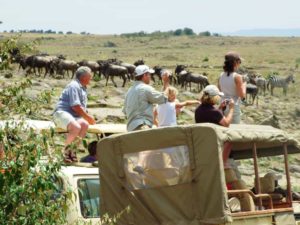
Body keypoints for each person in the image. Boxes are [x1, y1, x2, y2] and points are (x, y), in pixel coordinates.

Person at [53, 66, 96, 163]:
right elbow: (75, 106)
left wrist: (87, 117)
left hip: (73, 116)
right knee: (76, 127)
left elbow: (81, 108)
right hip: (62, 113)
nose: (91, 78)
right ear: (84, 77)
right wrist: (88, 117)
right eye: (90, 76)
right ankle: (64, 152)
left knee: (84, 125)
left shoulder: (82, 88)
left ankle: (72, 151)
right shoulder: (74, 86)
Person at [195, 85, 234, 165]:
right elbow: (226, 124)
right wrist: (231, 109)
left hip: (204, 139)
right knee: (230, 140)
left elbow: (211, 118)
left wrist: (219, 108)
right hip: (214, 141)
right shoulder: (214, 112)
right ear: (214, 97)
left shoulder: (198, 109)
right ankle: (223, 164)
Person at [123, 65, 170, 131]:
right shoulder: (145, 88)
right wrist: (166, 83)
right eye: (149, 75)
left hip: (131, 128)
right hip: (142, 125)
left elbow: (125, 111)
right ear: (144, 75)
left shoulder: (130, 90)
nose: (150, 77)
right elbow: (163, 98)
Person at [218, 51, 246, 124]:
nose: (240, 64)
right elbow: (242, 95)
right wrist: (244, 85)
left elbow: (220, 90)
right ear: (235, 63)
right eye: (239, 62)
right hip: (233, 105)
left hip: (222, 104)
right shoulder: (237, 77)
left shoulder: (221, 75)